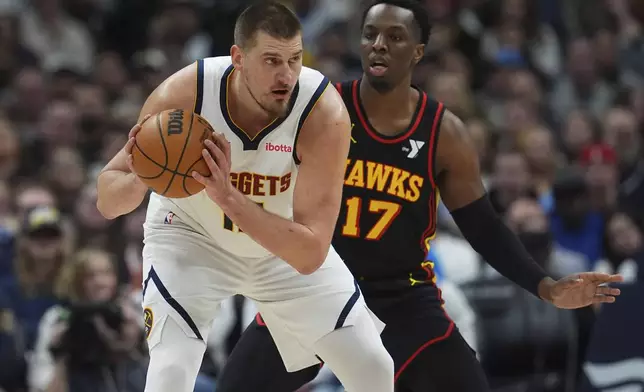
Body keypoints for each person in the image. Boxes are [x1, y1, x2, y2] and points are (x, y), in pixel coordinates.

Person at [215, 1, 624, 392]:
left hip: (402, 298)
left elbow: (482, 227)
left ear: (417, 52)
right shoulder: (320, 107)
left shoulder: (443, 133)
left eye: (395, 37)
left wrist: (545, 286)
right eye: (370, 34)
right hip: (316, 287)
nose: (379, 44)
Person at [95, 2, 395, 392]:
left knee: (373, 365)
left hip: (279, 246)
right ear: (238, 58)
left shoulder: (323, 113)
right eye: (271, 60)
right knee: (171, 370)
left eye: (294, 59)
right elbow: (107, 202)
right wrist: (140, 173)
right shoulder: (185, 92)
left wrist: (228, 195)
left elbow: (309, 255)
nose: (286, 74)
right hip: (191, 236)